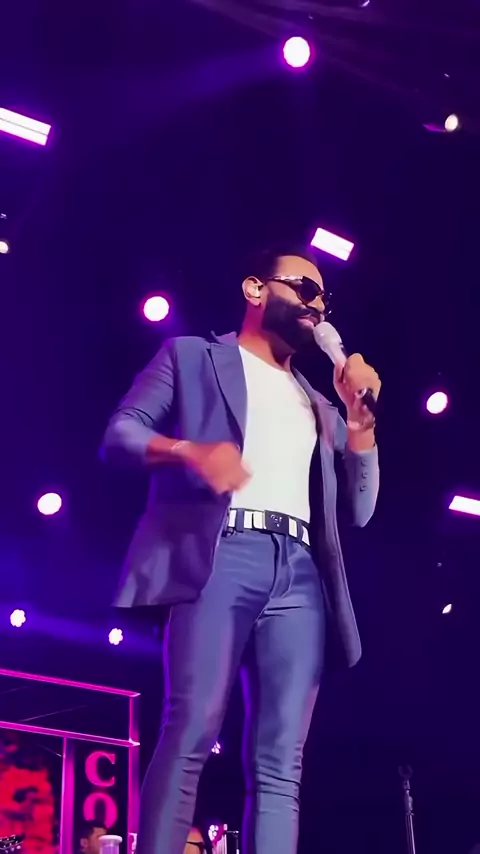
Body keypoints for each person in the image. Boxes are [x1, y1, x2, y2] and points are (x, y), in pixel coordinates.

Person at [101, 245, 381, 854]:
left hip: (301, 575)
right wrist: (189, 451)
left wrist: (360, 428)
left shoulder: (319, 404)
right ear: (256, 289)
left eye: (325, 299)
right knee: (191, 730)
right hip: (221, 555)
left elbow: (360, 510)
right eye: (305, 289)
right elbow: (121, 433)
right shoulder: (191, 356)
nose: (317, 305)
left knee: (282, 765)